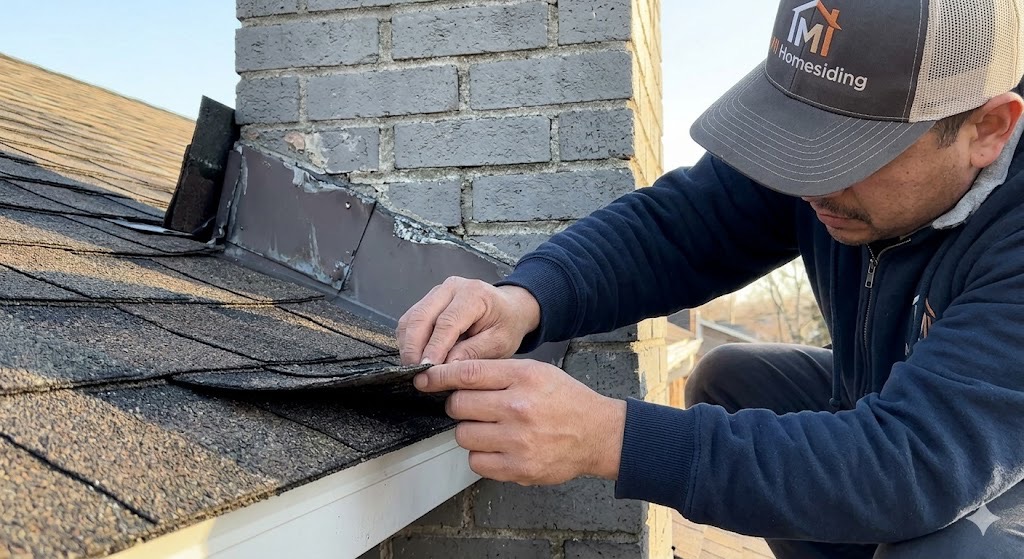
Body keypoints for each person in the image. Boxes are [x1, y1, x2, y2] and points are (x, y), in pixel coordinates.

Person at [396, 1, 1024, 557]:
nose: (806, 183)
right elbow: (685, 225)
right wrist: (525, 298)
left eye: (851, 154)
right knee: (734, 381)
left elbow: (911, 463)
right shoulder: (829, 166)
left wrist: (614, 438)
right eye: (802, 140)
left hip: (992, 453)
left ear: (988, 129)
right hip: (914, 415)